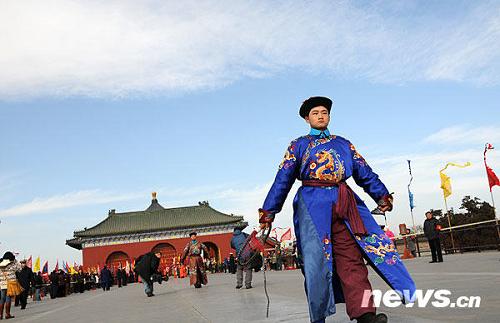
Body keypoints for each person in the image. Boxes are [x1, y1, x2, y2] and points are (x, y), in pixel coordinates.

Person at [258, 96, 416, 323]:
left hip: (346, 202)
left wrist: (381, 194)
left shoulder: (343, 143)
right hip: (313, 206)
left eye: (324, 112)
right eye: (315, 113)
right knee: (316, 263)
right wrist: (269, 211)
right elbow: (282, 179)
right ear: (307, 118)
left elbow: (363, 171)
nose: (321, 115)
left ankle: (365, 314)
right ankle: (319, 317)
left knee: (352, 259)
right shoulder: (298, 145)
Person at [0, 251, 23, 319]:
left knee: (2, 299)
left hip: (2, 284)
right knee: (8, 298)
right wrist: (15, 261)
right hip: (10, 284)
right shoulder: (12, 264)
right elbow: (20, 269)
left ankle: (0, 315)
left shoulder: (0, 265)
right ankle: (7, 314)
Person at [231, 225, 253, 289]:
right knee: (248, 268)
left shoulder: (233, 238)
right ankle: (248, 284)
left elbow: (232, 246)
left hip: (239, 254)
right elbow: (250, 238)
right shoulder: (244, 234)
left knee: (239, 268)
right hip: (247, 252)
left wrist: (238, 247)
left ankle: (239, 284)